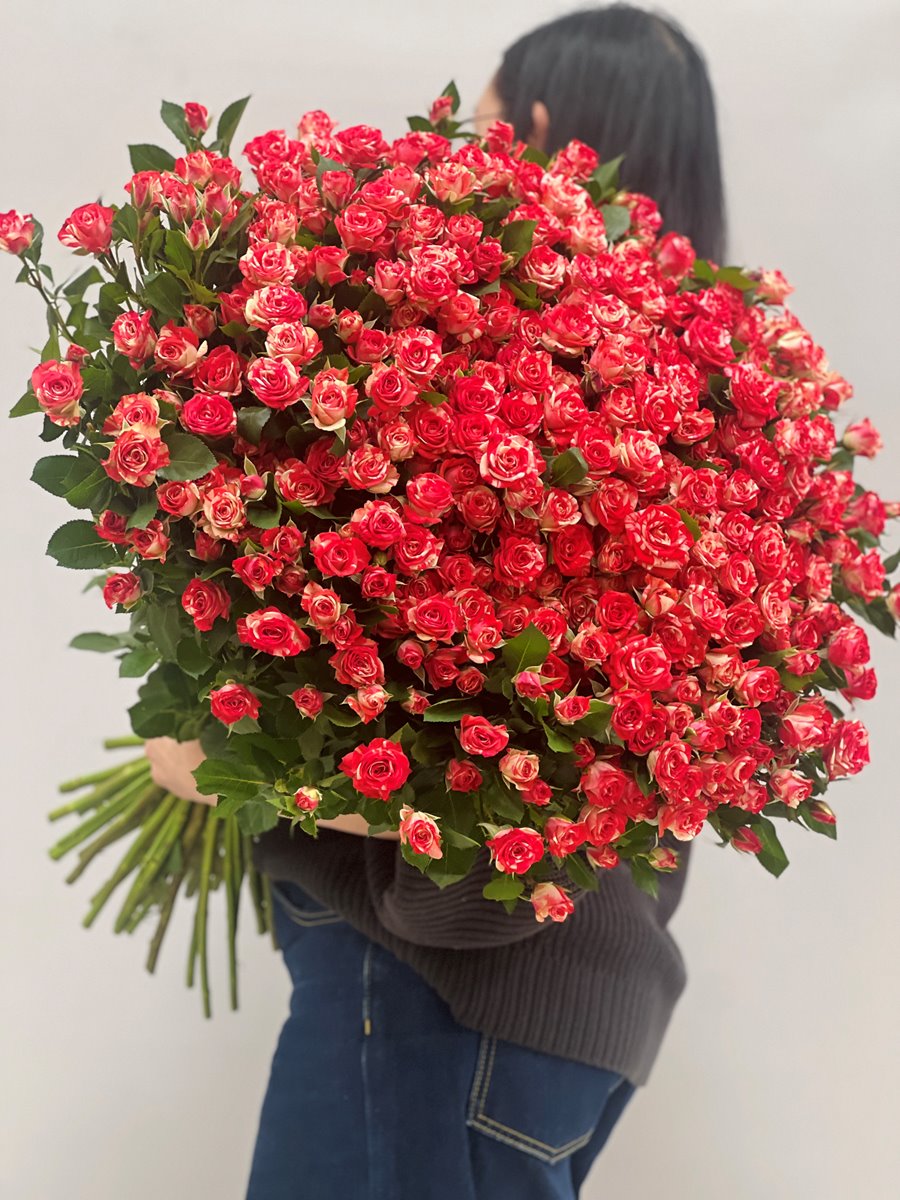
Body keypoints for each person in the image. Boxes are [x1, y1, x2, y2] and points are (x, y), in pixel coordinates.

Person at [145, 5, 726, 1196]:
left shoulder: (541, 403)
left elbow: (487, 850)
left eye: (486, 119)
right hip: (554, 1034)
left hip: (443, 1010)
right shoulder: (696, 414)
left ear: (543, 129)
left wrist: (229, 767)